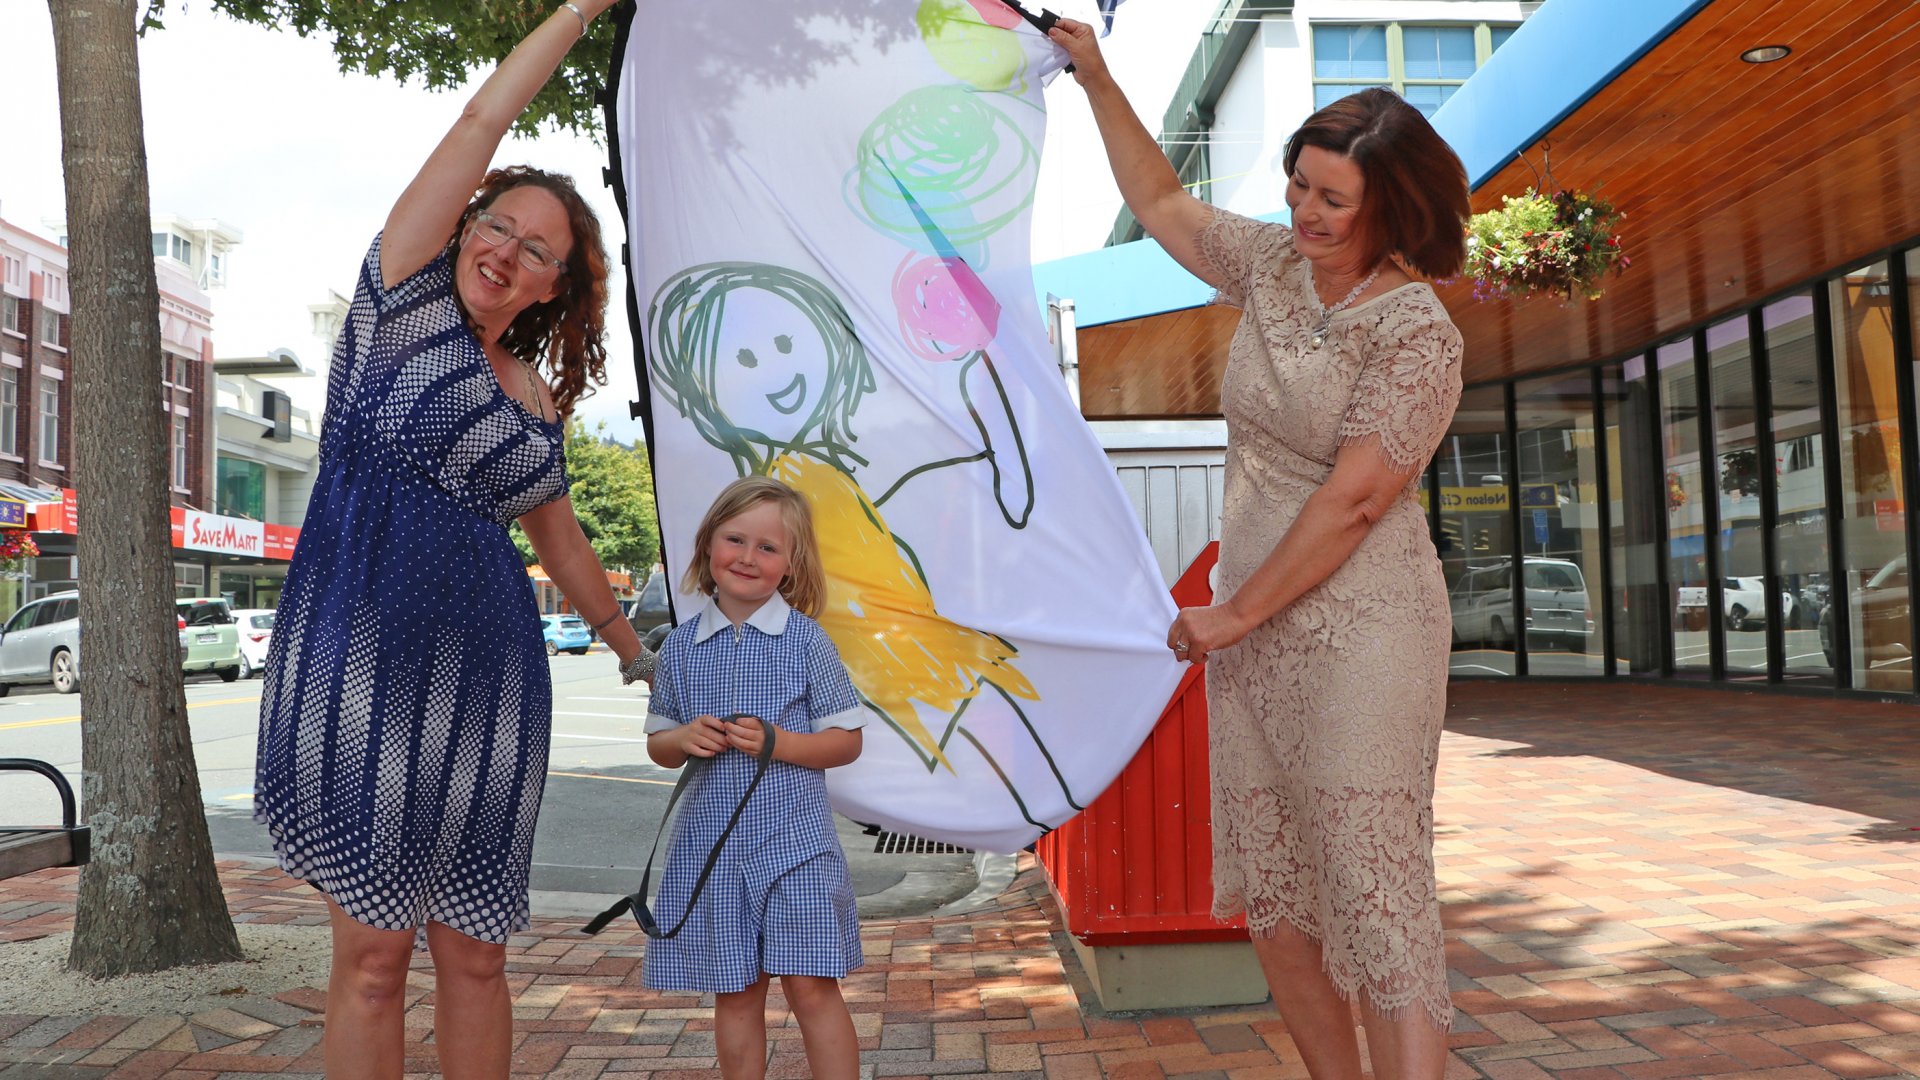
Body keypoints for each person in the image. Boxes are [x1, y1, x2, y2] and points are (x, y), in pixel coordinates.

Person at [1050, 20, 1470, 1080]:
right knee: (1278, 897)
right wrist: (1095, 74)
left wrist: (1232, 614)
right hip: (1255, 637)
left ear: (1391, 203)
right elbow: (1160, 203)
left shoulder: (1419, 333)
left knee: (1376, 892)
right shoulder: (1274, 267)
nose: (1305, 213)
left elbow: (1357, 499)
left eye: (1332, 198)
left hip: (1366, 634)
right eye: (1297, 188)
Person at [251, 3, 651, 1077]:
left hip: (491, 681)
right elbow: (479, 118)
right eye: (501, 228)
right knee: (376, 960)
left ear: (554, 287)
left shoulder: (534, 400)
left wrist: (638, 654)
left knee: (476, 958)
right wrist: (576, 15)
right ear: (468, 225)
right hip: (360, 666)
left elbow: (563, 547)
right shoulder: (398, 301)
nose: (511, 252)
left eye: (540, 253)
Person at [642, 476, 866, 1080]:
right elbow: (659, 744)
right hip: (714, 855)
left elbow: (847, 741)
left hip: (797, 849)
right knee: (736, 992)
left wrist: (778, 742)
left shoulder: (806, 642)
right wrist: (683, 738)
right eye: (734, 539)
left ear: (790, 566)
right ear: (706, 546)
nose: (747, 557)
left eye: (768, 547)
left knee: (812, 986)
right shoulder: (682, 647)